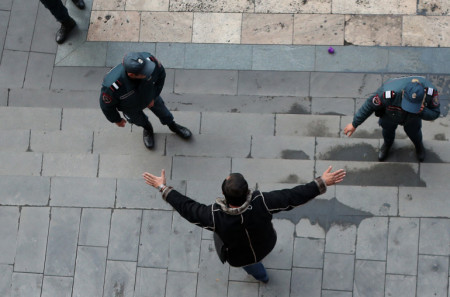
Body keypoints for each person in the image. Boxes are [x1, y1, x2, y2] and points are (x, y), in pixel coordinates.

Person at [142, 166, 346, 283]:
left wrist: (162, 187)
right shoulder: (262, 202)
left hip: (240, 257)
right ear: (248, 191)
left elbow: (187, 207)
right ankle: (263, 275)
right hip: (266, 243)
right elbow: (293, 196)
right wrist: (322, 182)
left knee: (254, 268)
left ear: (223, 194)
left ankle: (262, 278)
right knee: (258, 258)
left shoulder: (214, 216)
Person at [99, 52, 192, 149]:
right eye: (144, 72)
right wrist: (116, 119)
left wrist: (154, 95)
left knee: (164, 112)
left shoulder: (149, 62)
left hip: (150, 96)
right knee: (139, 120)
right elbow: (106, 106)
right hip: (130, 107)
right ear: (131, 74)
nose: (149, 72)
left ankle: (173, 126)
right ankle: (147, 129)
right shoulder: (112, 86)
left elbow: (161, 75)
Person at [344, 76, 440, 162]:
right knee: (387, 131)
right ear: (403, 93)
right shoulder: (388, 93)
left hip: (412, 119)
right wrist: (354, 124)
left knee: (415, 133)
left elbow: (435, 113)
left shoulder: (430, 92)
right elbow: (370, 105)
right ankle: (388, 144)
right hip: (390, 115)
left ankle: (419, 146)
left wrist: (422, 111)